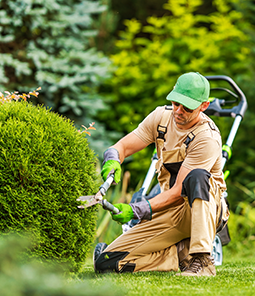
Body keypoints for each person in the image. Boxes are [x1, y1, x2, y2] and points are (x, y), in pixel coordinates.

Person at [93, 72, 228, 276]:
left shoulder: (206, 137)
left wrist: (135, 210)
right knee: (106, 263)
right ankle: (177, 254)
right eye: (175, 103)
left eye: (187, 107)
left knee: (197, 176)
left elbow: (177, 192)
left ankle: (202, 259)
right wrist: (112, 159)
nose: (179, 111)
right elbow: (123, 146)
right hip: (168, 211)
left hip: (201, 210)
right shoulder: (161, 117)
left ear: (204, 106)